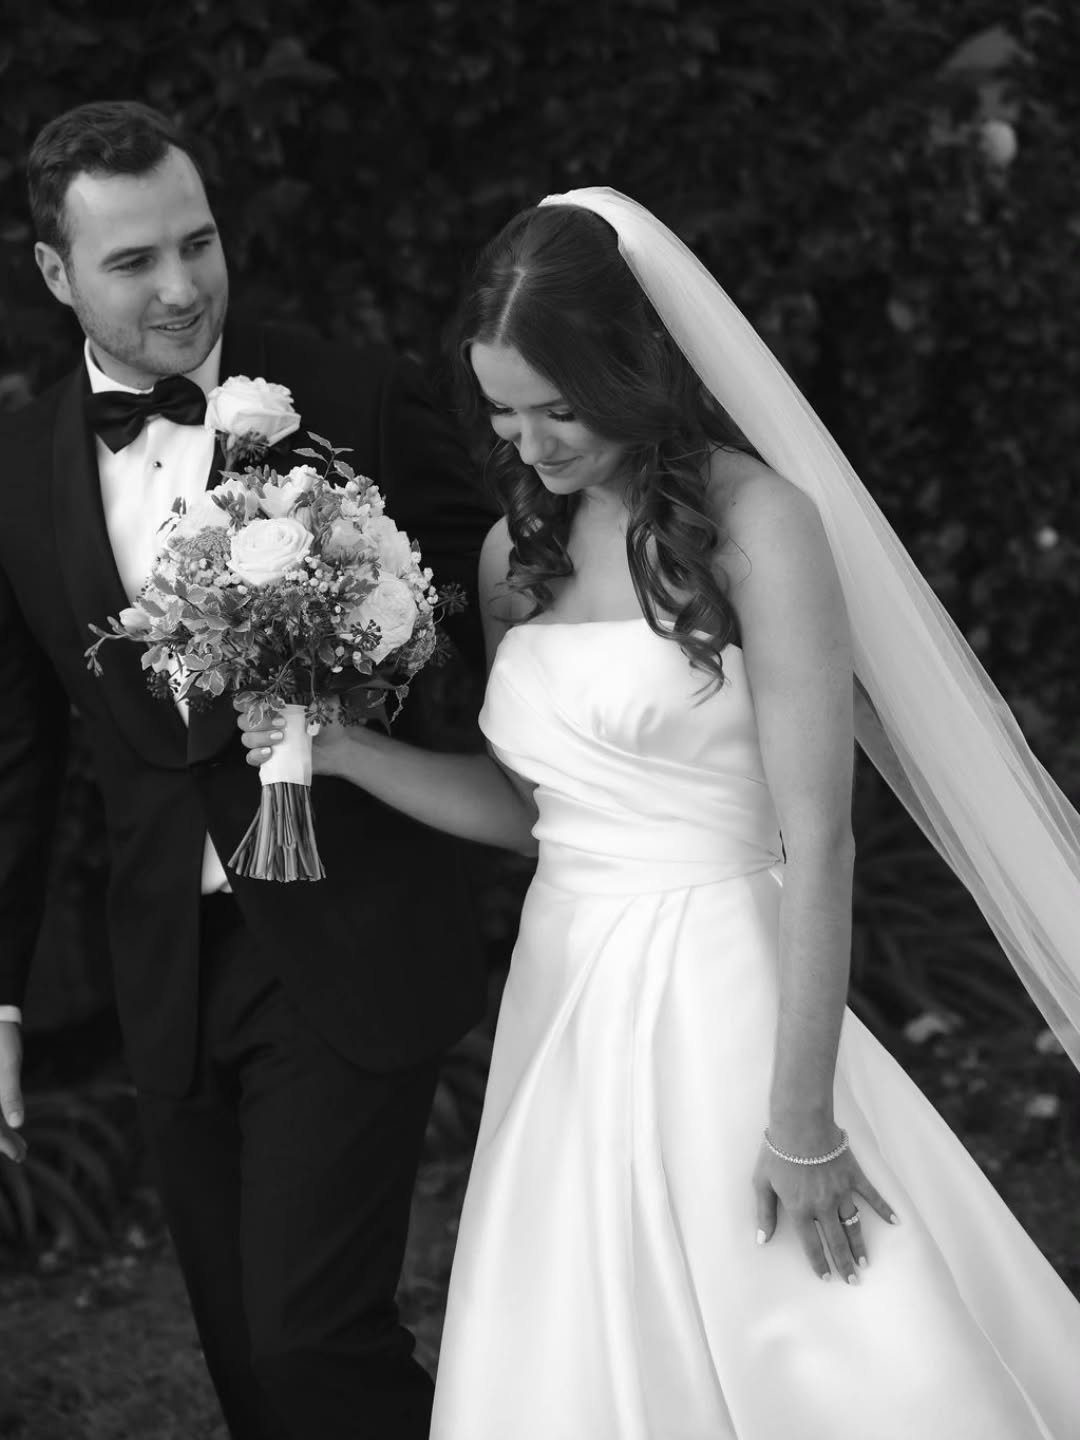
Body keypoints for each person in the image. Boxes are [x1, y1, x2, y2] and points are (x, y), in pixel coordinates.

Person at [238, 189, 1080, 1438]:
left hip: (726, 988)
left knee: (828, 1340)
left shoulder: (758, 527)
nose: (529, 443)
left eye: (558, 409)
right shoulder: (514, 552)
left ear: (629, 370)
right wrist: (346, 752)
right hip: (566, 991)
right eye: (503, 411)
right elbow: (534, 814)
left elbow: (820, 837)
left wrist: (802, 1118)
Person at [0, 100, 496, 1440]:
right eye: (132, 261)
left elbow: (505, 611)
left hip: (348, 929)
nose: (181, 286)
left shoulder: (355, 397)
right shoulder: (17, 471)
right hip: (169, 967)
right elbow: (17, 758)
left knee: (310, 1345)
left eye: (198, 243)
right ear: (55, 273)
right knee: (247, 1370)